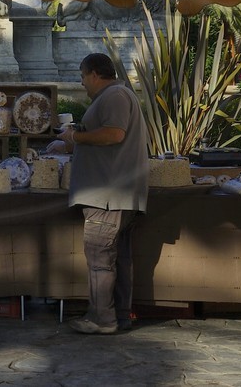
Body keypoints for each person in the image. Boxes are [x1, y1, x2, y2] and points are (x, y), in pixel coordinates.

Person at [48, 52, 148, 335]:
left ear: (94, 73)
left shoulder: (115, 96)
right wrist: (70, 142)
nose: (81, 83)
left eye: (81, 77)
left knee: (99, 260)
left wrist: (75, 137)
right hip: (115, 195)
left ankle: (101, 319)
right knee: (118, 259)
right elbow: (105, 137)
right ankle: (119, 315)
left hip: (107, 196)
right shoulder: (114, 96)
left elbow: (114, 134)